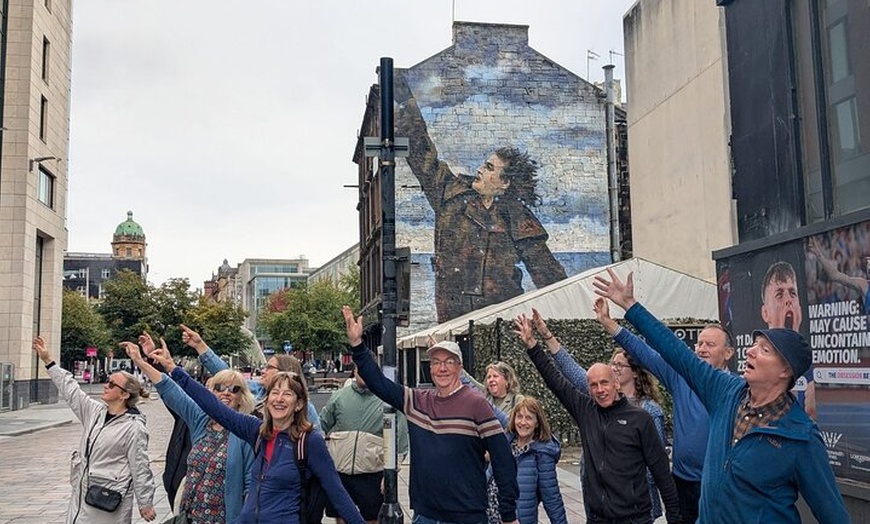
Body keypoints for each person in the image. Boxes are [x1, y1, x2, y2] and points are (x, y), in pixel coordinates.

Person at [594, 268, 851, 523]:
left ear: (785, 370)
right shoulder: (725, 392)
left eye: (764, 350)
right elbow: (675, 350)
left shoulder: (800, 436)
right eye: (754, 344)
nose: (750, 351)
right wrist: (630, 306)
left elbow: (833, 514)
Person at [394, 73, 567, 323]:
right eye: (484, 164)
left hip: (502, 322)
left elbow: (550, 277)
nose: (479, 170)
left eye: (488, 168)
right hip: (454, 320)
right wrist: (406, 102)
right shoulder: (450, 194)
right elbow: (422, 152)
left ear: (505, 183)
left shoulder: (516, 217)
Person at [147, 343, 366, 524]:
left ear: (299, 404)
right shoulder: (258, 431)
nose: (279, 399)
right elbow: (215, 408)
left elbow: (337, 493)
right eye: (275, 393)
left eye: (287, 394)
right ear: (267, 399)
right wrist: (174, 370)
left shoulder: (308, 441)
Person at [343, 306, 519, 524]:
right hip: (425, 515)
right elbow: (379, 384)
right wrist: (357, 345)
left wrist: (508, 513)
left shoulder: (477, 404)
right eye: (436, 362)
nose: (442, 368)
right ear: (430, 368)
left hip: (466, 516)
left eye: (449, 362)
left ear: (459, 368)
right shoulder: (417, 401)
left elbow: (503, 460)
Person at [513, 315, 681, 524]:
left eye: (604, 383)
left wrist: (674, 518)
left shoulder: (641, 418)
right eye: (593, 385)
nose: (600, 389)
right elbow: (555, 381)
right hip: (597, 518)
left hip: (634, 518)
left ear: (615, 383)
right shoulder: (585, 410)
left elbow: (661, 472)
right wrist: (532, 344)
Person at [592, 298, 734, 524]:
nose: (701, 349)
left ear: (728, 353)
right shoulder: (680, 378)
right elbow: (644, 353)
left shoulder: (735, 390)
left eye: (710, 345)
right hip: (682, 482)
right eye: (699, 343)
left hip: (719, 485)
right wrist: (609, 323)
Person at [123, 340, 255, 524]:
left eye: (234, 389)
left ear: (242, 397)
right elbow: (169, 389)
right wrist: (139, 361)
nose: (226, 393)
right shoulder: (201, 420)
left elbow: (251, 484)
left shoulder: (246, 430)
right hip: (191, 516)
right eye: (219, 387)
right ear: (210, 393)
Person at [31, 336, 156, 524]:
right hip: (82, 496)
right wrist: (48, 361)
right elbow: (71, 390)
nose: (106, 385)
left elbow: (140, 466)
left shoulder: (133, 427)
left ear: (124, 394)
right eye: (107, 380)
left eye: (112, 384)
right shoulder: (95, 412)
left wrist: (145, 502)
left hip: (108, 502)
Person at [179, 324, 321, 430]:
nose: (263, 371)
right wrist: (200, 346)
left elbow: (316, 440)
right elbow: (227, 374)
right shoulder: (257, 390)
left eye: (269, 368)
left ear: (285, 372)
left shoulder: (306, 408)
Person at [319, 364, 410, 524]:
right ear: (354, 371)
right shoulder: (339, 397)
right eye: (360, 368)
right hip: (340, 473)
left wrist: (390, 476)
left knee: (372, 519)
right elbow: (320, 426)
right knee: (341, 518)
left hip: (372, 476)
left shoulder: (388, 400)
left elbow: (401, 442)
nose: (364, 373)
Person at [759, 261, 816, 419]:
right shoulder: (756, 368)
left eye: (792, 293)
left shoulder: (815, 370)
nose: (788, 300)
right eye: (779, 294)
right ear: (765, 313)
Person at [504, 396, 567, 524]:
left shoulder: (542, 453)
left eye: (528, 418)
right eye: (519, 417)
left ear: (537, 422)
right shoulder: (506, 443)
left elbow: (551, 497)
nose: (522, 422)